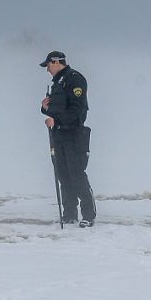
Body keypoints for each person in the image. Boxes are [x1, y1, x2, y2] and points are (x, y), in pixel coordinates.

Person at [40, 51, 96, 228]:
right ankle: (70, 214)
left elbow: (76, 111)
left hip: (74, 134)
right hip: (58, 135)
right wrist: (45, 109)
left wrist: (56, 120)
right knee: (63, 175)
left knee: (77, 174)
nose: (47, 69)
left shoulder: (75, 79)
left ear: (57, 62)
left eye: (48, 65)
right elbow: (57, 110)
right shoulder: (57, 83)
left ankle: (89, 215)